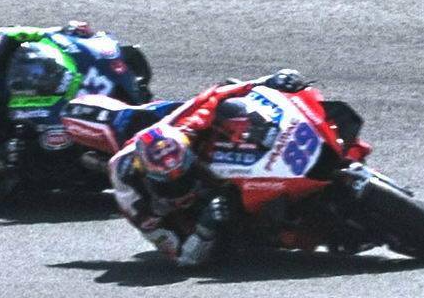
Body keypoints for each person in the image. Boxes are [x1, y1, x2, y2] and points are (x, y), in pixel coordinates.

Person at [0, 21, 149, 206]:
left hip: (31, 106)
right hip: (4, 158)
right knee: (37, 162)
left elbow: (11, 33)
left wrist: (58, 34)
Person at [110, 71, 331, 266]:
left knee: (230, 109)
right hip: (181, 216)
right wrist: (204, 230)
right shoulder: (134, 201)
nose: (182, 188)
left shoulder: (187, 129)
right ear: (147, 178)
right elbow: (182, 257)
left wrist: (268, 81)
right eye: (171, 185)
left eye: (185, 177)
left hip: (168, 126)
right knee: (224, 241)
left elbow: (215, 96)